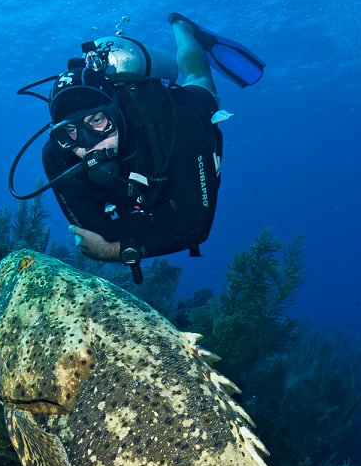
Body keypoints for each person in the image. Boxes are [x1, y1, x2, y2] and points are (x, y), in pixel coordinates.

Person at [40, 15, 264, 281]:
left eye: (97, 121)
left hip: (186, 113)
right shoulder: (58, 156)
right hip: (145, 199)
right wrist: (154, 223)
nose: (88, 143)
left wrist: (116, 249)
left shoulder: (180, 127)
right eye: (71, 130)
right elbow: (93, 231)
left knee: (197, 77)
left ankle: (183, 28)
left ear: (116, 112)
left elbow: (196, 227)